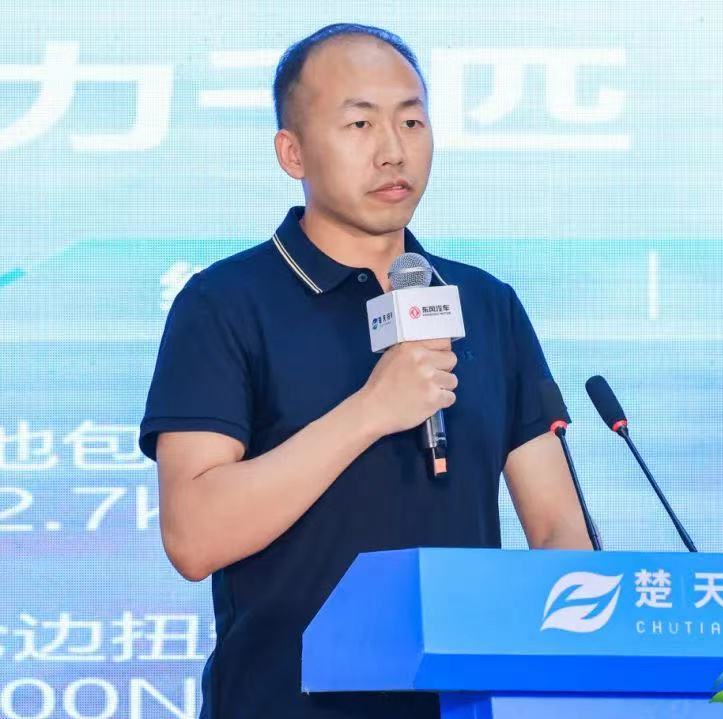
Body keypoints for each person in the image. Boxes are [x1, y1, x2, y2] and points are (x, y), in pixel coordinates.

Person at [138, 23, 592, 719]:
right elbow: (194, 537)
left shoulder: (486, 304)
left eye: (412, 121)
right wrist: (372, 409)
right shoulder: (224, 303)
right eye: (360, 124)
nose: (393, 150)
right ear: (292, 152)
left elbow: (560, 527)